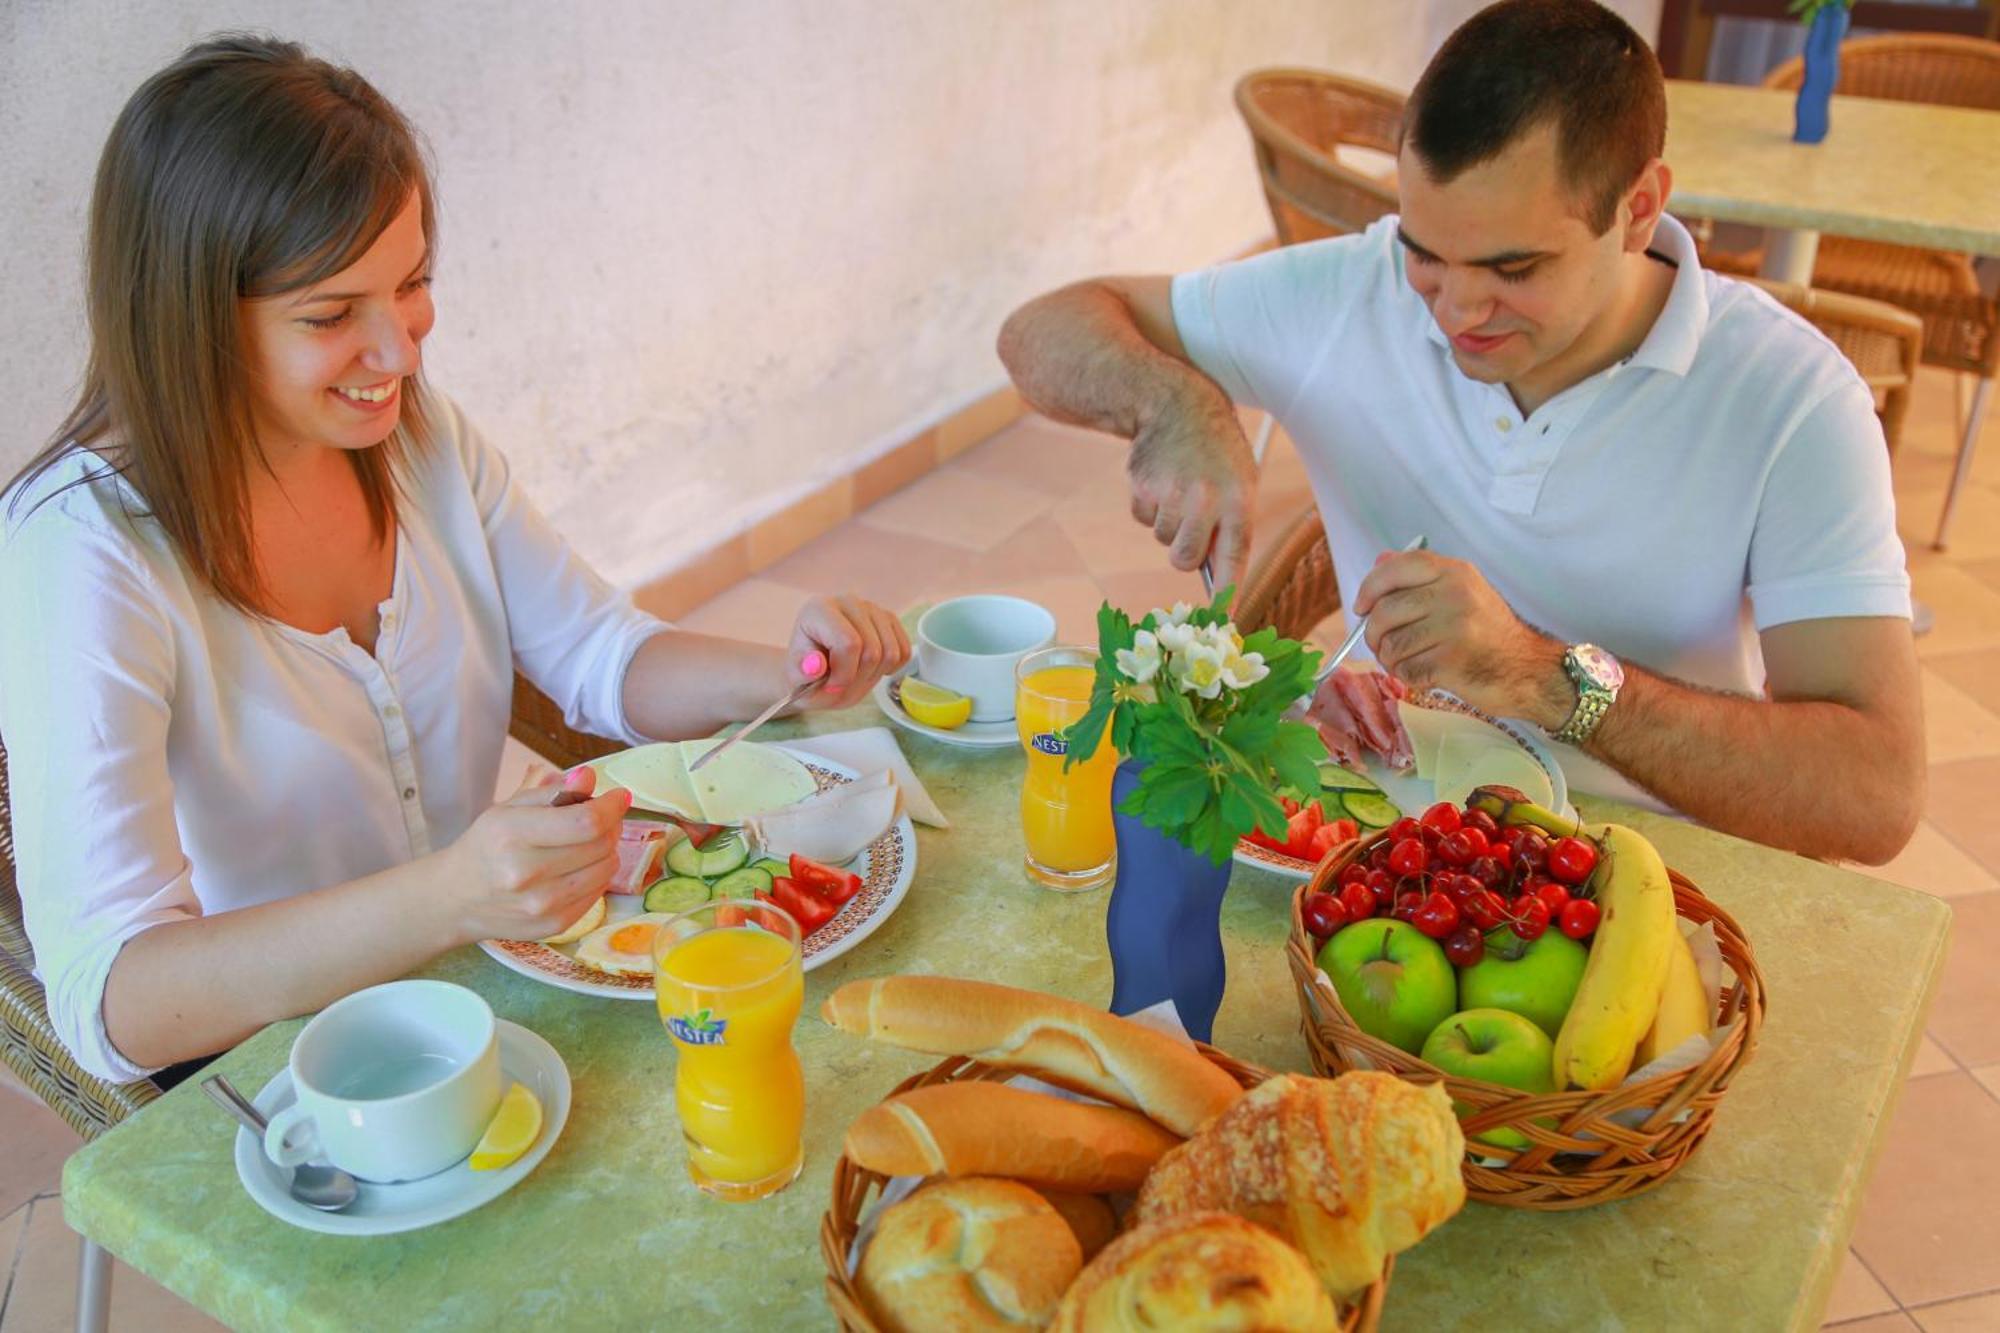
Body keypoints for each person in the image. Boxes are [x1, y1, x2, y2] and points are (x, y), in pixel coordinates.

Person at [0, 35, 908, 1085]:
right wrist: (452, 893)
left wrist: (788, 672)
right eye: (332, 315)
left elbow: (601, 656)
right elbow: (115, 1005)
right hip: (281, 1066)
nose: (401, 352)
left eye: (413, 283)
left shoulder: (415, 439)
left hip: (487, 975)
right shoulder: (84, 553)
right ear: (190, 322)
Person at [997, 0, 1923, 864]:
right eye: (1425, 256)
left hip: (1646, 865)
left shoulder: (1793, 400)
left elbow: (1874, 795)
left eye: (1514, 267)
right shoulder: (1356, 296)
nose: (1458, 308)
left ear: (1637, 210)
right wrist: (1176, 406)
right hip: (1381, 851)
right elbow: (1045, 328)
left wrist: (1544, 676)